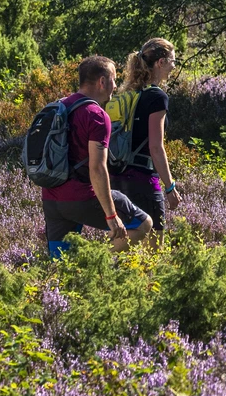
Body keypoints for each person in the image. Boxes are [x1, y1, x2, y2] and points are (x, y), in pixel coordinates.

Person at [42, 55, 154, 259]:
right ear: (102, 81)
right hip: (81, 197)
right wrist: (111, 216)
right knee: (143, 223)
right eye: (114, 79)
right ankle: (95, 261)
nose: (115, 85)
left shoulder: (59, 107)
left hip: (51, 198)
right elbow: (97, 169)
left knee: (61, 262)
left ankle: (67, 282)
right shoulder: (97, 115)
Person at [107, 38, 182, 235]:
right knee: (155, 242)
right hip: (143, 178)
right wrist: (169, 187)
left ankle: (103, 262)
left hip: (117, 176)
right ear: (161, 62)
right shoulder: (157, 97)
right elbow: (156, 147)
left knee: (126, 235)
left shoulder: (129, 94)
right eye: (173, 61)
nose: (174, 66)